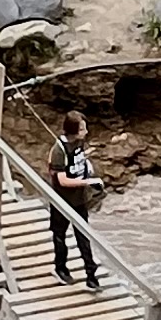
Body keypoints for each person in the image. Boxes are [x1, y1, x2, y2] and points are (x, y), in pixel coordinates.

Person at [46, 106, 105, 291]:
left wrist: (87, 167)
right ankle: (60, 268)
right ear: (72, 130)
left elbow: (80, 159)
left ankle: (91, 275)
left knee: (83, 236)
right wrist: (87, 182)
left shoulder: (79, 142)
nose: (86, 132)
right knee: (60, 235)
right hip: (62, 200)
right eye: (82, 129)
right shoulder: (59, 150)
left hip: (79, 200)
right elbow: (62, 180)